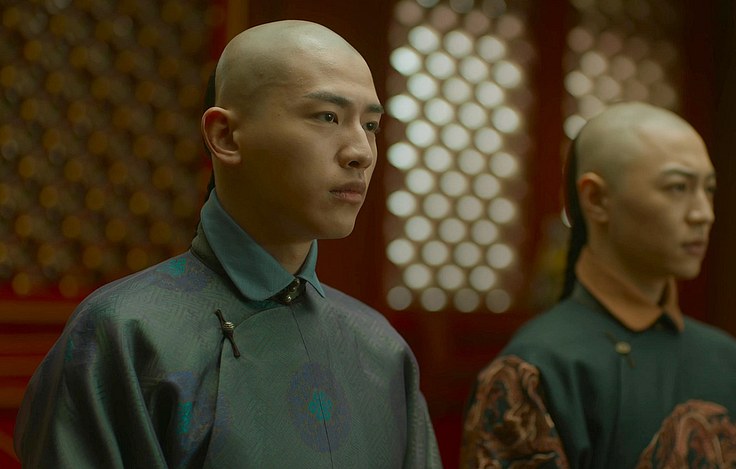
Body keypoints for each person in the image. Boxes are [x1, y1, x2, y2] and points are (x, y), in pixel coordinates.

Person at [15, 20, 441, 468]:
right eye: (327, 117)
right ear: (225, 135)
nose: (362, 152)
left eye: (370, 124)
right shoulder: (124, 335)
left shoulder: (381, 350)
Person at [460, 102, 736, 468]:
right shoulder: (535, 368)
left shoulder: (733, 363)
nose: (704, 213)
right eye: (678, 187)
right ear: (596, 199)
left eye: (709, 189)